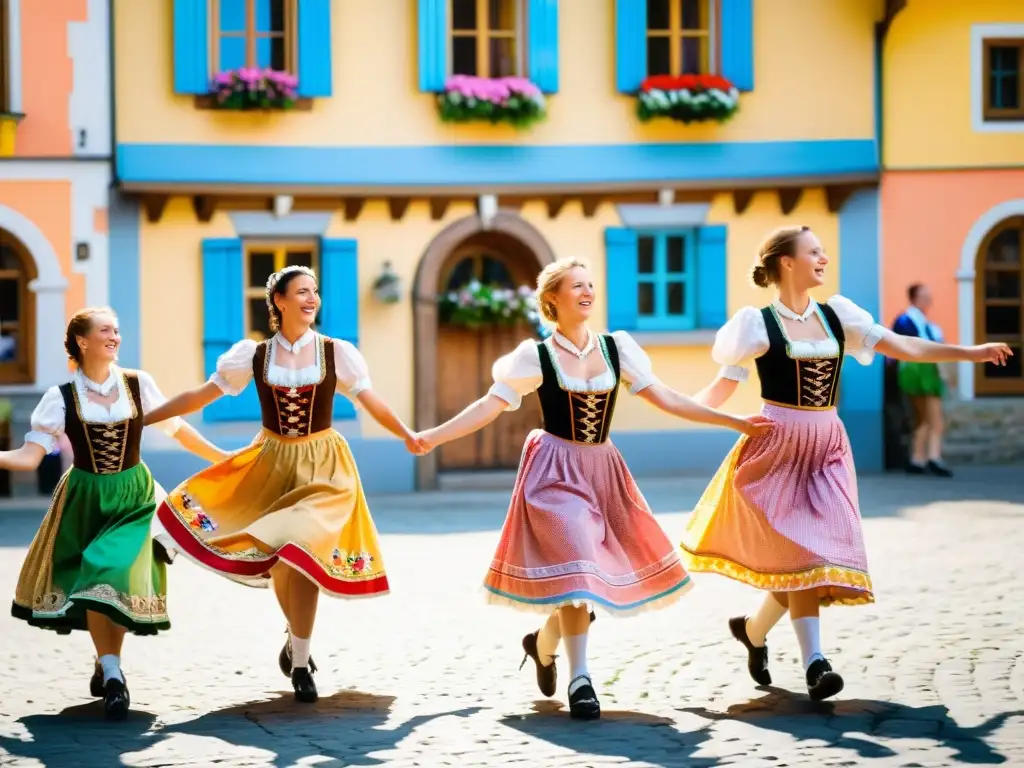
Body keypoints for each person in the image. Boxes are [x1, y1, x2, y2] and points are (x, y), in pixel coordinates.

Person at [412, 258, 773, 720]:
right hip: (554, 471)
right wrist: (433, 436)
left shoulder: (616, 349)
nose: (586, 292)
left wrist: (733, 420)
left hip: (602, 469)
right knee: (579, 560)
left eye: (590, 285)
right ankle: (580, 680)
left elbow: (667, 397)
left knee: (578, 579)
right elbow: (488, 405)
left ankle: (543, 645)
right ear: (552, 301)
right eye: (575, 286)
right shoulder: (534, 356)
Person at [680, 226, 1012, 701]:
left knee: (816, 553)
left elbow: (906, 346)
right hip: (777, 448)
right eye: (814, 252)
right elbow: (720, 389)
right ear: (786, 262)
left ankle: (754, 631)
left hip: (828, 446)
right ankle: (815, 663)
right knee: (804, 557)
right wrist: (685, 407)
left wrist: (970, 352)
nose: (824, 259)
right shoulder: (756, 324)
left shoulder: (839, 316)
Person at [143, 265, 422, 704]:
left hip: (325, 467)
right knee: (280, 558)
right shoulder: (254, 355)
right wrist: (144, 418)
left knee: (302, 547)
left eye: (315, 292)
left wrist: (407, 433)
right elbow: (199, 396)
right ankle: (295, 640)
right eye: (303, 292)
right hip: (274, 460)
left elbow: (371, 400)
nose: (312, 299)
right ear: (279, 301)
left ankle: (300, 662)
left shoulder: (336, 352)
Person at [1, 307, 227, 720]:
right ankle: (112, 672)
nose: (115, 337)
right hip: (86, 497)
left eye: (117, 331)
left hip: (134, 495)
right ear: (82, 341)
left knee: (113, 571)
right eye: (105, 330)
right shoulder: (61, 397)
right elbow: (29, 457)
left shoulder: (138, 385)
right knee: (94, 581)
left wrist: (221, 458)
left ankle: (110, 671)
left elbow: (177, 428)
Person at [891, 284, 951, 476]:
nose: (928, 301)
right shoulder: (907, 320)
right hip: (919, 370)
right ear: (914, 298)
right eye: (924, 296)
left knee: (925, 417)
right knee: (927, 416)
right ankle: (929, 457)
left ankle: (921, 457)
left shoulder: (925, 323)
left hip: (919, 370)